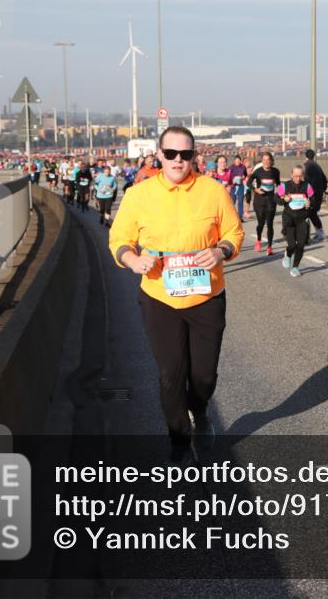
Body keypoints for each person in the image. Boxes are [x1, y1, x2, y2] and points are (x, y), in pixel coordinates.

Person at [109, 126, 244, 463]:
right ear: (159, 155)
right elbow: (119, 239)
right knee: (170, 374)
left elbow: (234, 231)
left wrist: (220, 251)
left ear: (195, 156)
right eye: (171, 154)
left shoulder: (213, 191)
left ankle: (200, 410)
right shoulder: (139, 195)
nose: (178, 160)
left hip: (206, 296)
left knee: (204, 376)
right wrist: (133, 259)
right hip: (159, 298)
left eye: (186, 154)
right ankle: (179, 440)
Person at [276, 165, 315, 277]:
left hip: (302, 218)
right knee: (292, 245)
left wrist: (310, 204)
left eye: (300, 176)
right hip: (289, 218)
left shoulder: (307, 186)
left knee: (301, 244)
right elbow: (276, 199)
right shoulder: (284, 186)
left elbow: (313, 199)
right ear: (291, 175)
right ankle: (288, 255)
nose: (298, 179)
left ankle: (295, 268)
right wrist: (284, 199)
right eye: (295, 176)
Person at [248, 152, 281, 255]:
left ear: (271, 161)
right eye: (264, 160)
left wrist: (282, 193)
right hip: (259, 201)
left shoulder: (275, 171)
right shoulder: (258, 172)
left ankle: (269, 247)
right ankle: (258, 240)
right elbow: (248, 183)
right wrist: (255, 190)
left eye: (268, 160)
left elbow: (278, 183)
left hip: (271, 201)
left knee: (270, 224)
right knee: (261, 224)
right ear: (262, 161)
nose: (266, 162)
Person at [303, 149, 328, 240]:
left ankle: (306, 236)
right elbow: (325, 180)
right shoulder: (317, 166)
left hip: (310, 195)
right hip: (318, 194)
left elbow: (305, 181)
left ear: (305, 156)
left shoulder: (306, 166)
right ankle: (320, 233)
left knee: (305, 214)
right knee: (312, 214)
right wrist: (322, 191)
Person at [228, 155, 248, 222]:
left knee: (240, 201)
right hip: (233, 186)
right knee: (232, 202)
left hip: (240, 186)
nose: (237, 162)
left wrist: (243, 178)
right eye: (236, 160)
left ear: (240, 161)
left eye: (238, 160)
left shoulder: (243, 167)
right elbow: (228, 176)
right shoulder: (231, 167)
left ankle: (240, 217)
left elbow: (245, 175)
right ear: (234, 161)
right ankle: (232, 216)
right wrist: (233, 179)